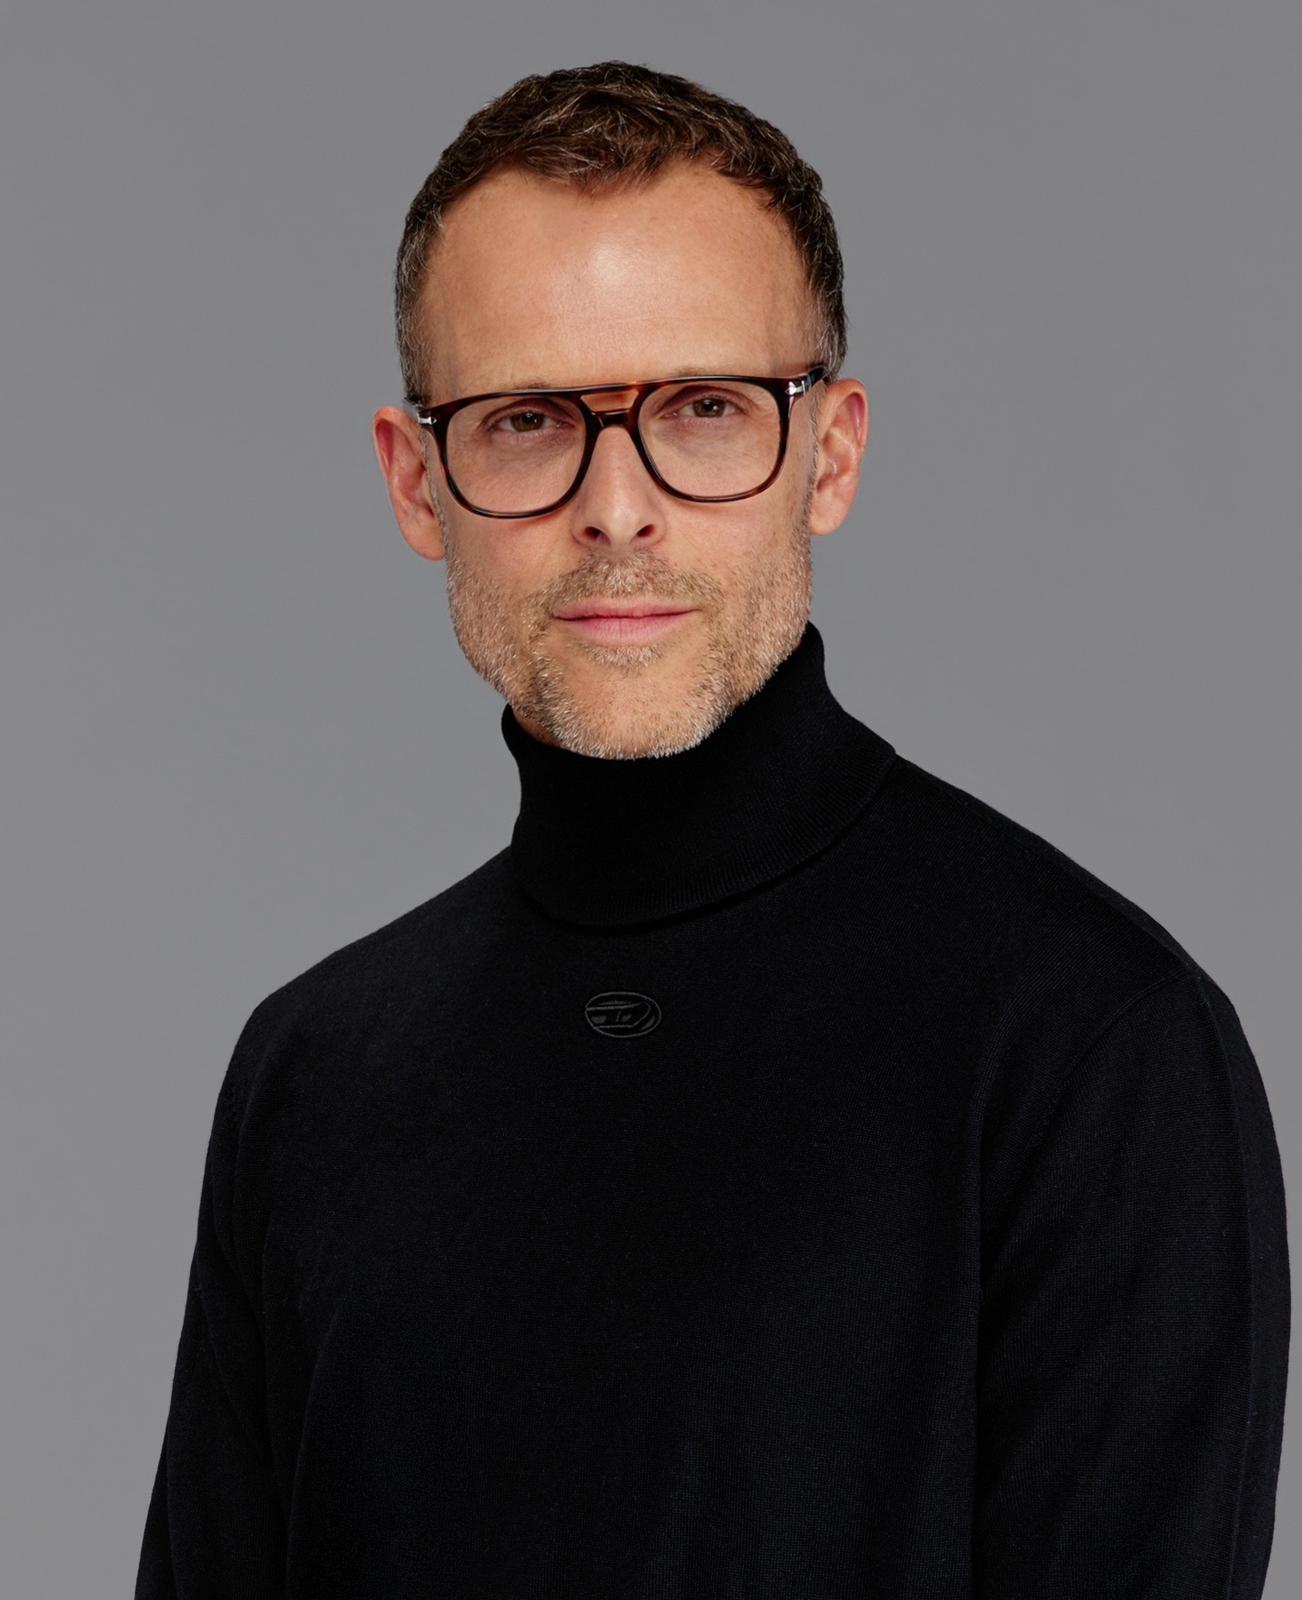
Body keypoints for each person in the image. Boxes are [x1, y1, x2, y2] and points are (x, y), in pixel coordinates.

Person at [135, 59, 1289, 1598]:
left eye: (702, 408)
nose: (617, 508)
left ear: (832, 454)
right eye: (527, 419)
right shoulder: (313, 1074)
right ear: (418, 484)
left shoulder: (1091, 1046)